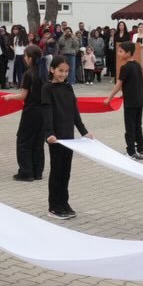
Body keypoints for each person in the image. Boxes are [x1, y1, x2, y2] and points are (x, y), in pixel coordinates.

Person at [42, 55, 91, 220]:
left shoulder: (68, 88)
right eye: (60, 71)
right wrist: (48, 133)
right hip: (56, 138)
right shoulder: (47, 89)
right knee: (56, 172)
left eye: (66, 71)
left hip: (69, 138)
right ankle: (54, 207)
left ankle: (64, 203)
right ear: (52, 70)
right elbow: (46, 113)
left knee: (66, 172)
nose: (63, 74)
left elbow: (74, 113)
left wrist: (84, 131)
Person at [4, 45, 44, 182]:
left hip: (31, 111)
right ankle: (38, 171)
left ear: (30, 58)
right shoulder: (45, 72)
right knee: (38, 142)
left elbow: (22, 96)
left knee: (24, 141)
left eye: (26, 56)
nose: (24, 59)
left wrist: (9, 97)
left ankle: (26, 172)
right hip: (44, 111)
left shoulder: (29, 74)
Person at [105, 41, 143, 159]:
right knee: (138, 125)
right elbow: (137, 83)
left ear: (128, 53)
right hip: (139, 101)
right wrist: (125, 93)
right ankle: (141, 149)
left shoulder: (125, 67)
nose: (118, 53)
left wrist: (109, 98)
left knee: (130, 127)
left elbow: (118, 85)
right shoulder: (137, 65)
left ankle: (131, 152)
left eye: (121, 51)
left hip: (131, 103)